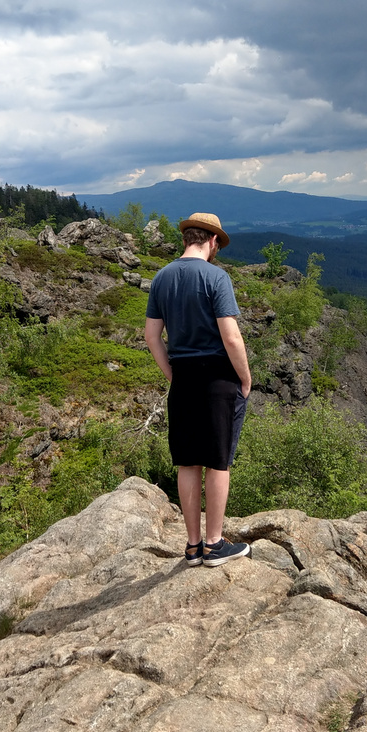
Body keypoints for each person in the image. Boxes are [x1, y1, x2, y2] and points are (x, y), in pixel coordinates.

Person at [144, 213, 253, 568]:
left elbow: (151, 336)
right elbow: (231, 336)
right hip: (218, 377)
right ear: (213, 241)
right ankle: (214, 544)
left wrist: (172, 374)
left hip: (184, 376)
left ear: (186, 238)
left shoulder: (162, 277)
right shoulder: (216, 277)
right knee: (218, 460)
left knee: (187, 460)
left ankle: (192, 547)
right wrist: (246, 378)